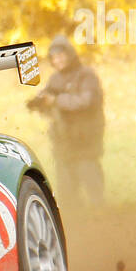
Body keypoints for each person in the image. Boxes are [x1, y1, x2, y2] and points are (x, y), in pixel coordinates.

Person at [26, 34, 106, 208]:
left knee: (90, 178)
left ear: (70, 55)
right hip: (63, 140)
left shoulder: (86, 75)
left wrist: (56, 100)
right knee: (66, 185)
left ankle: (101, 216)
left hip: (86, 137)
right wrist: (38, 103)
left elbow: (85, 101)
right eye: (54, 57)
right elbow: (47, 98)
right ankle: (75, 219)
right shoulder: (55, 79)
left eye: (61, 55)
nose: (58, 60)